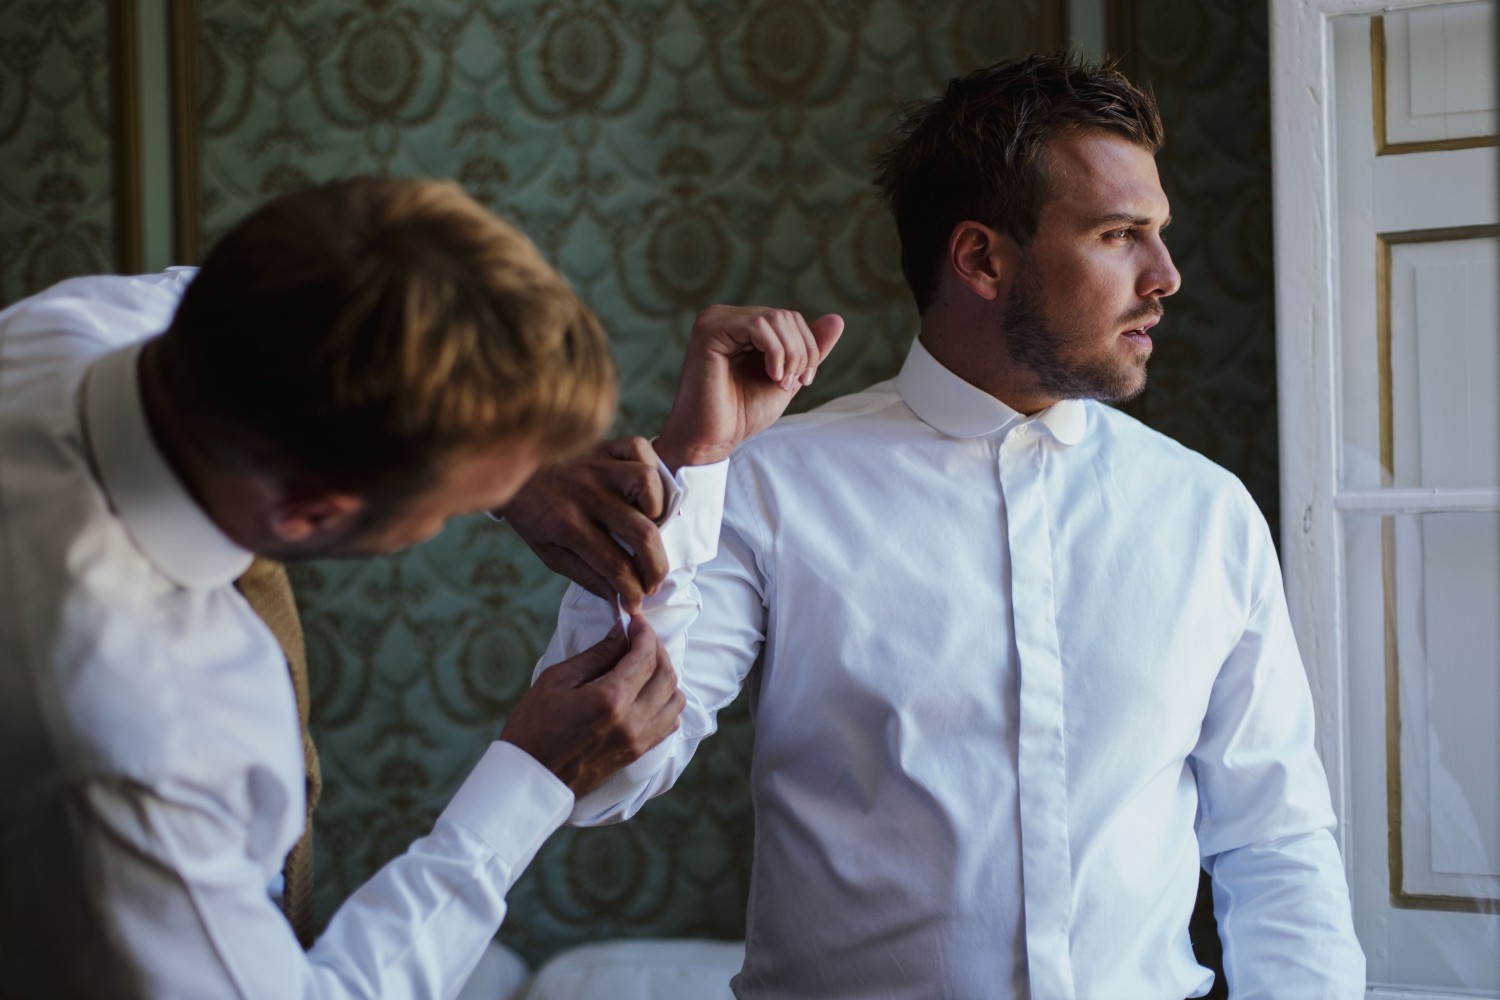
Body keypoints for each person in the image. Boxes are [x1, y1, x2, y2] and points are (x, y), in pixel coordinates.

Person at [514, 53, 1367, 998]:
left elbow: (1276, 839)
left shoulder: (1208, 514)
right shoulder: (769, 485)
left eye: (1158, 234)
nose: (1165, 276)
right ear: (982, 259)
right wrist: (688, 471)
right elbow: (596, 782)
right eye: (1121, 235)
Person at [0, 176, 841, 997]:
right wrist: (530, 778)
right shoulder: (138, 754)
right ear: (310, 510)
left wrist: (509, 466)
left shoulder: (95, 325)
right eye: (465, 499)